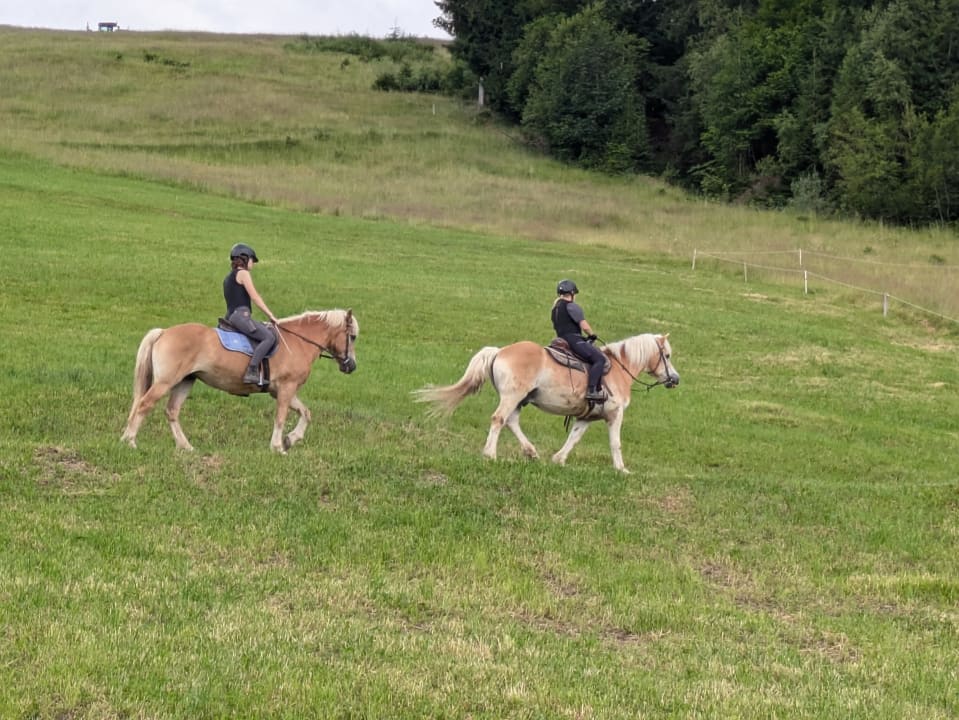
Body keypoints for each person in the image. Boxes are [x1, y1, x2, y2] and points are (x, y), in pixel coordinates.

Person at [223, 243, 279, 385]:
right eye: (252, 260)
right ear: (245, 258)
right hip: (241, 316)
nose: (253, 263)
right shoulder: (243, 273)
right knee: (269, 337)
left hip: (230, 316)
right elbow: (255, 297)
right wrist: (271, 315)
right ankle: (252, 370)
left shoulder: (228, 277)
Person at [551, 279, 607, 402]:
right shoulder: (571, 306)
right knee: (599, 359)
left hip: (560, 339)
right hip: (573, 340)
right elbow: (584, 326)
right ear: (571, 294)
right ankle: (592, 390)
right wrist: (592, 335)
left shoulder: (555, 308)